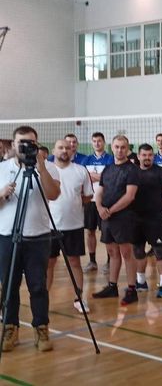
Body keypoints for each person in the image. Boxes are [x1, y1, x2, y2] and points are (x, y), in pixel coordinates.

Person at [0, 125, 60, 352]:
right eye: (21, 143)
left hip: (38, 237)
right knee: (9, 286)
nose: (26, 146)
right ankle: (10, 327)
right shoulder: (2, 168)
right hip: (7, 236)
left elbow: (53, 194)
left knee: (38, 286)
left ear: (37, 144)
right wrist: (2, 194)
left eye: (30, 143)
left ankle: (41, 328)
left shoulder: (48, 167)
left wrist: (41, 167)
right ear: (13, 145)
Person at [47, 139, 94, 314]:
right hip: (49, 226)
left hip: (74, 225)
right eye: (60, 147)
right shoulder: (46, 170)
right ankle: (43, 299)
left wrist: (72, 203)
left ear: (72, 150)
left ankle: (79, 298)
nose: (64, 150)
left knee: (75, 262)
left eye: (67, 148)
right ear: (54, 150)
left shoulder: (80, 170)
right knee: (49, 263)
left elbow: (88, 196)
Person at [92, 135, 140, 306]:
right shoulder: (108, 169)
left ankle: (132, 289)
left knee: (126, 253)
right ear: (112, 147)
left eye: (123, 147)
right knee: (112, 252)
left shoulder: (132, 170)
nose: (120, 150)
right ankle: (112, 286)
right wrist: (99, 207)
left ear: (128, 149)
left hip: (124, 217)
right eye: (117, 147)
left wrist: (110, 211)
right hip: (107, 217)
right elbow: (100, 191)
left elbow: (130, 196)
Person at [131, 144, 162, 298]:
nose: (147, 158)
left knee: (159, 251)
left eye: (150, 155)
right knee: (138, 250)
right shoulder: (133, 172)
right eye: (144, 155)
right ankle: (141, 281)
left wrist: (160, 209)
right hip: (136, 219)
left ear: (153, 156)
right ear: (138, 156)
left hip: (155, 220)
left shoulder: (160, 172)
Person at [81, 132, 114, 273]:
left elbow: (109, 177)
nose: (97, 143)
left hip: (105, 201)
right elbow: (83, 176)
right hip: (90, 200)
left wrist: (92, 176)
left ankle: (110, 262)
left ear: (104, 142)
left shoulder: (110, 159)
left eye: (99, 141)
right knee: (90, 231)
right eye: (94, 141)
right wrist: (99, 176)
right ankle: (92, 261)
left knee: (106, 232)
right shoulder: (87, 159)